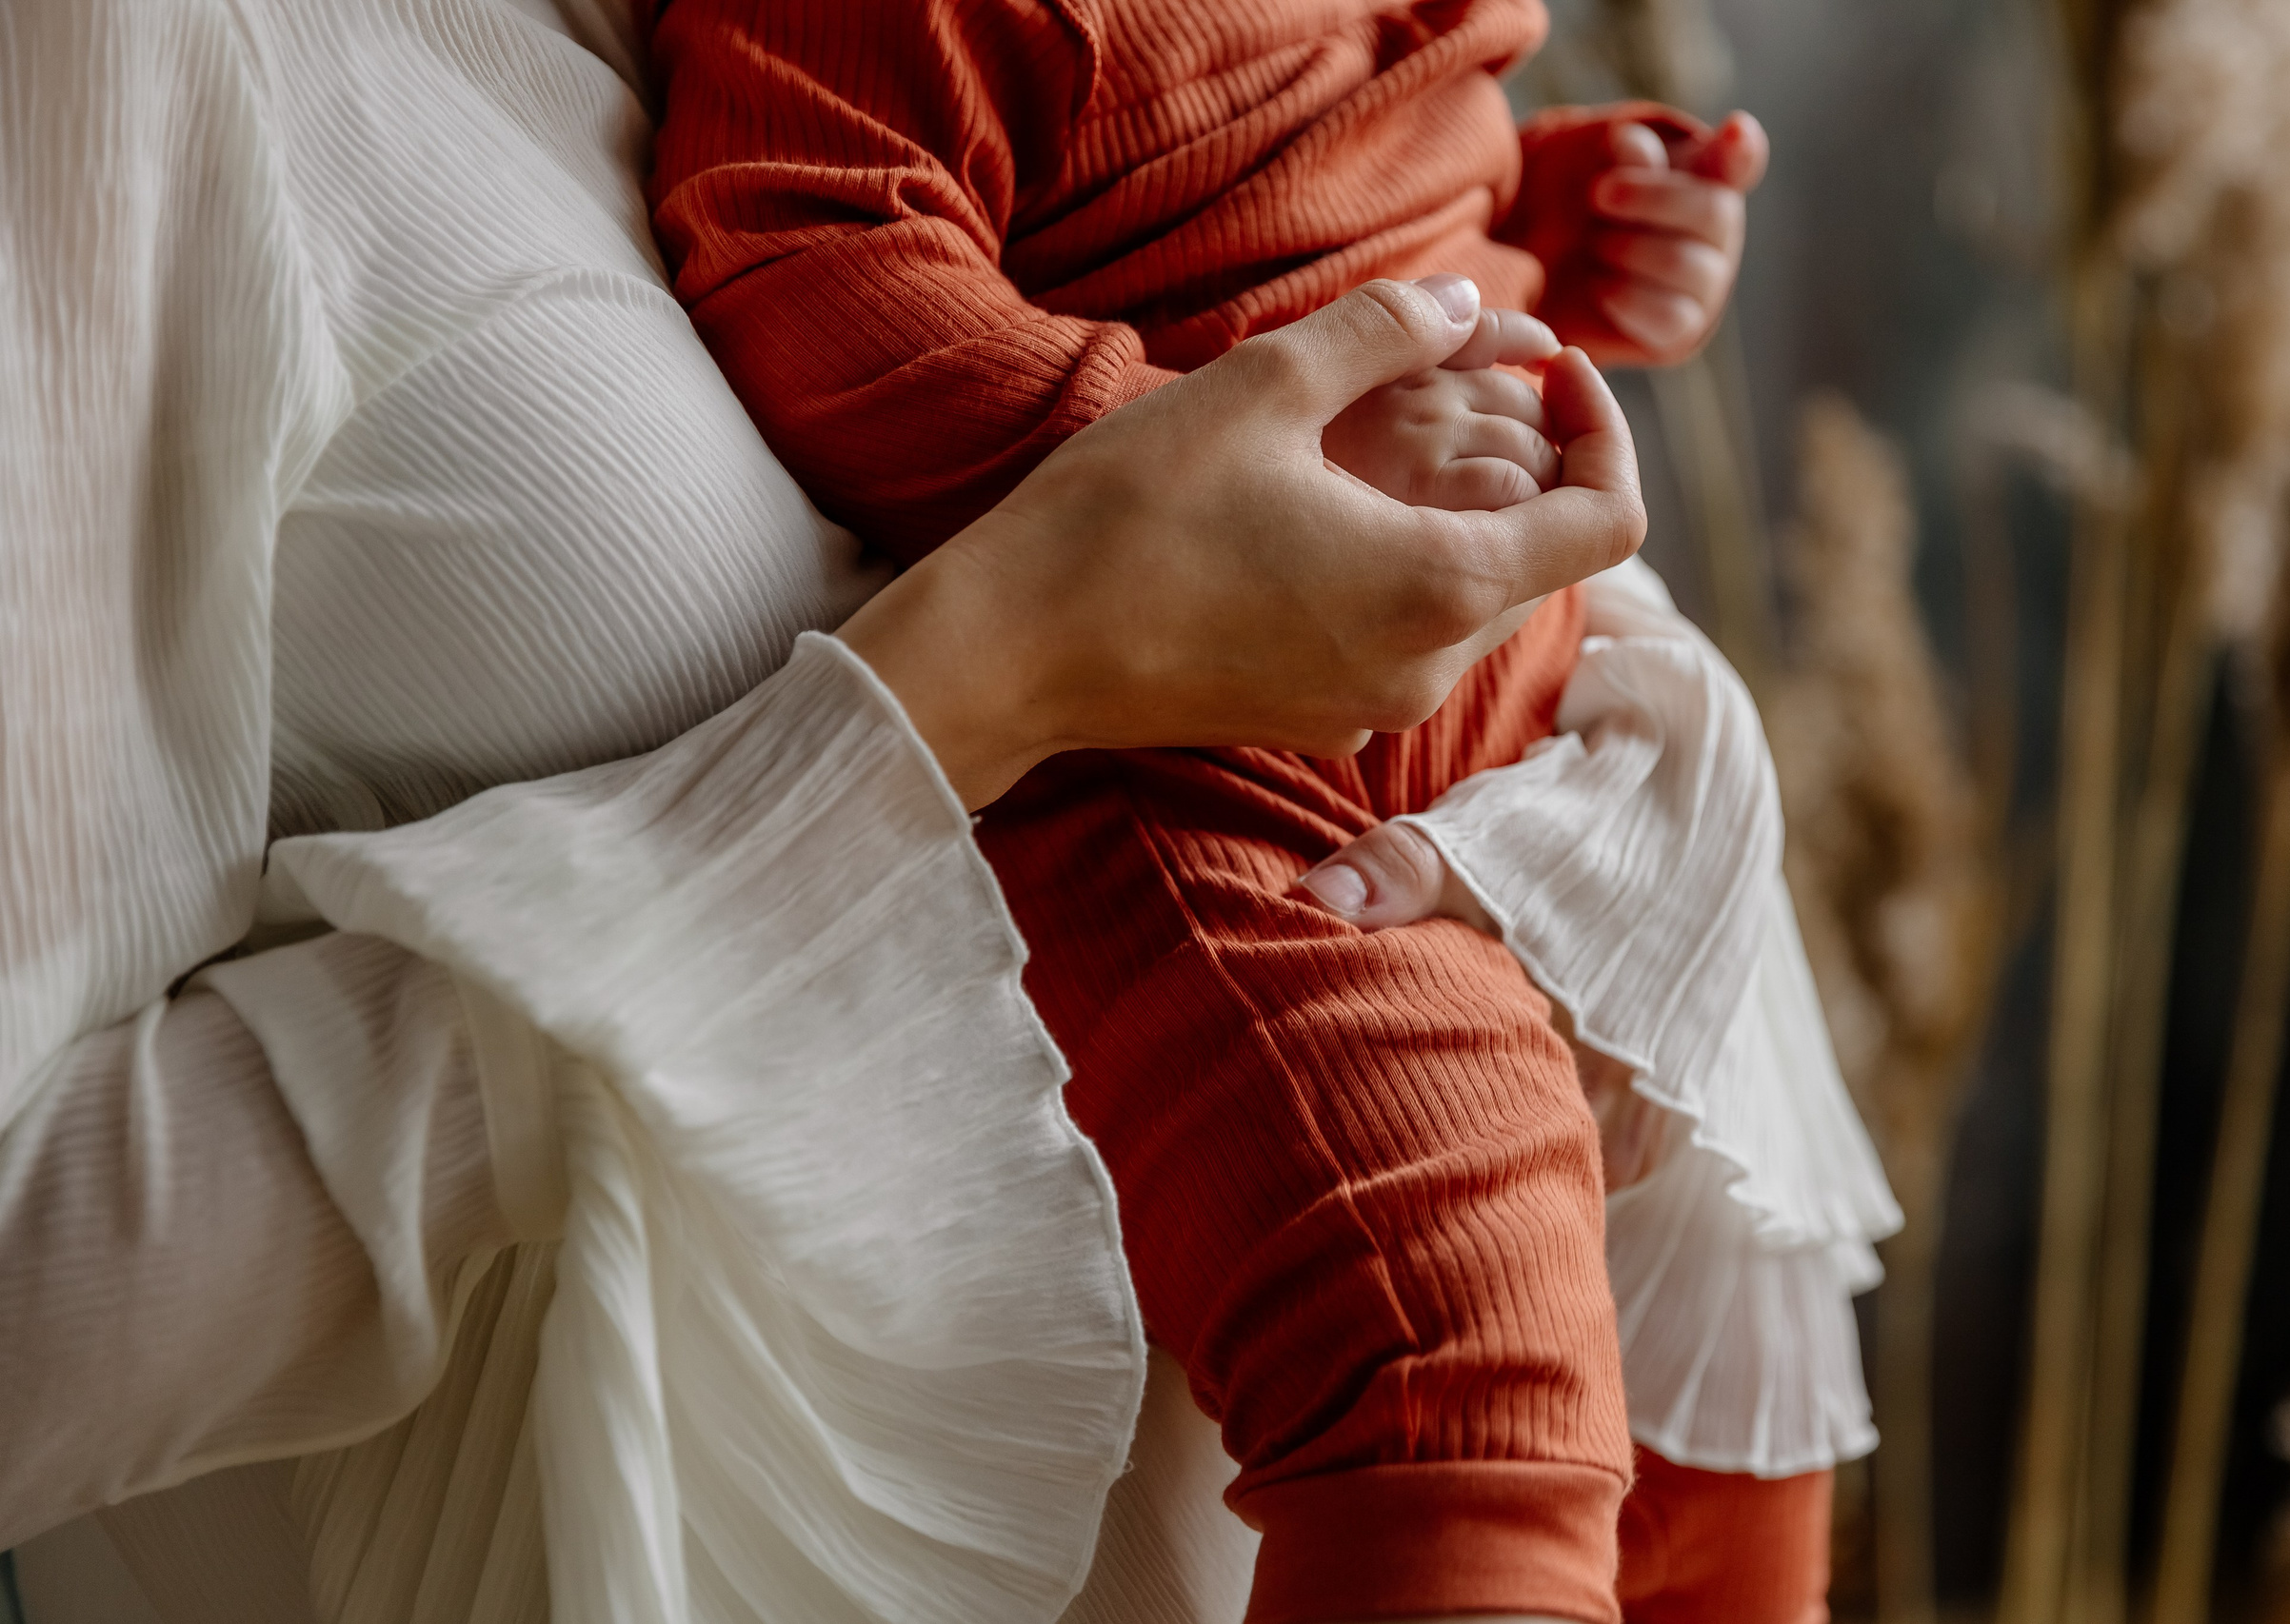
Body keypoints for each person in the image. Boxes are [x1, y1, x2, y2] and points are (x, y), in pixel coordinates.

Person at [1, 3, 1894, 1622]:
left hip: (1482, 887)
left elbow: (1259, 192)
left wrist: (1541, 248)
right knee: (1456, 1370)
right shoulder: (120, 63)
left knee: (1695, 1463)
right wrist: (991, 683)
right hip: (1212, 865)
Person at [645, 5, 1839, 1621]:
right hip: (1175, 753)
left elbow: (1306, 166)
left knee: (1734, 1363)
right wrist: (1244, 453)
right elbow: (809, 240)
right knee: (1448, 1319)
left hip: (1513, 726)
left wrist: (1548, 224)